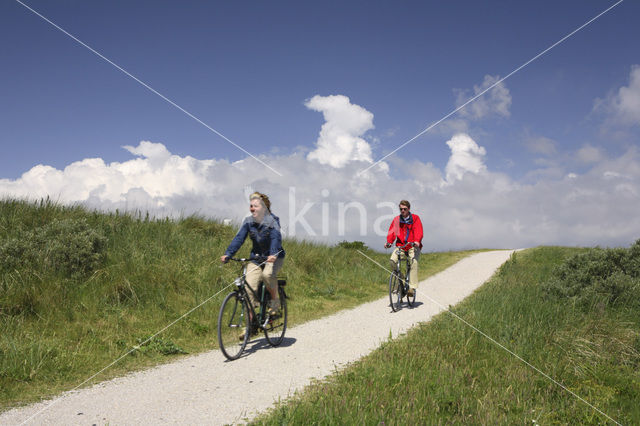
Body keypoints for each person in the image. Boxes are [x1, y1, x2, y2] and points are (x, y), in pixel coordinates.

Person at [221, 192, 285, 321]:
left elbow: (275, 238)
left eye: (255, 206)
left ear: (264, 207)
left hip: (274, 257)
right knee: (248, 287)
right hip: (256, 259)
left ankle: (275, 304)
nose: (252, 208)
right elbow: (239, 238)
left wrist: (272, 254)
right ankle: (250, 325)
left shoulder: (273, 220)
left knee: (267, 275)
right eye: (251, 206)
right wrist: (228, 254)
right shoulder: (248, 221)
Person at [384, 200, 423, 297]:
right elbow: (392, 233)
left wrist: (417, 240)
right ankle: (400, 277)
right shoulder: (397, 220)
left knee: (413, 262)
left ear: (409, 209)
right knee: (392, 261)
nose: (402, 211)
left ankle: (411, 288)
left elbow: (418, 230)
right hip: (400, 246)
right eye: (401, 209)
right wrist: (389, 242)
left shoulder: (415, 218)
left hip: (412, 246)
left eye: (405, 209)